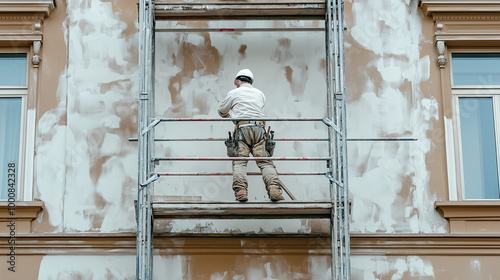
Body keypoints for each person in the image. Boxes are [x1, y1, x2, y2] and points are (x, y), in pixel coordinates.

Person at [218, 69, 286, 202]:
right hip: (260, 128)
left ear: (238, 80)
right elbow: (261, 112)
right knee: (265, 162)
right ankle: (274, 190)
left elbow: (221, 111)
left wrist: (232, 117)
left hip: (242, 129)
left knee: (240, 163)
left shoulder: (234, 93)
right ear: (251, 81)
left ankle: (241, 192)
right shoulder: (260, 93)